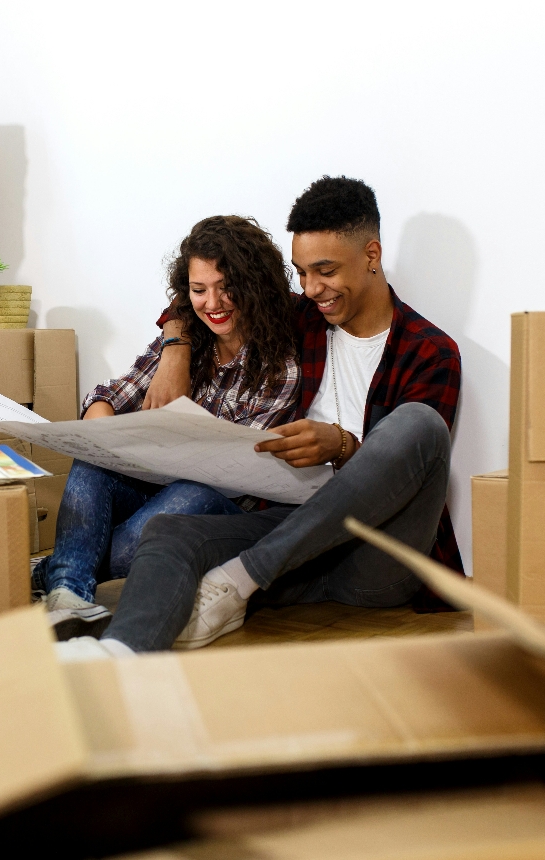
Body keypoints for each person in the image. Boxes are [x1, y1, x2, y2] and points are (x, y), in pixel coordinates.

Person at [62, 175, 463, 659]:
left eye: (326, 271)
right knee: (170, 528)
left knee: (418, 423)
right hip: (283, 542)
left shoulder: (430, 351)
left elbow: (408, 470)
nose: (313, 289)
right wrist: (176, 347)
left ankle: (237, 579)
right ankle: (117, 656)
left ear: (372, 257)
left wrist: (341, 447)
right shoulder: (306, 316)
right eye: (302, 274)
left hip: (368, 556)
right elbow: (210, 293)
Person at [35, 215, 300, 640]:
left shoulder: (280, 363)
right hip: (154, 483)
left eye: (226, 288)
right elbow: (108, 396)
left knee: (189, 493)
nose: (213, 303)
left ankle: (59, 571)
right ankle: (69, 599)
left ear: (255, 286)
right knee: (91, 461)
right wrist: (103, 435)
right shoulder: (183, 340)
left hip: (217, 502)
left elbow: (237, 466)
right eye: (199, 290)